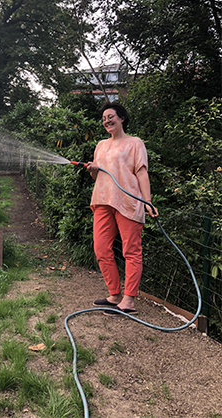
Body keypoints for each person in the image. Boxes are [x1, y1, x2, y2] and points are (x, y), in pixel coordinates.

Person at [85, 103, 158, 315]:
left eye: (111, 116)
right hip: (102, 200)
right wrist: (93, 170)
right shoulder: (100, 145)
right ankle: (114, 294)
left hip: (128, 202)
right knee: (101, 249)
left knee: (131, 251)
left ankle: (129, 301)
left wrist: (147, 201)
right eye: (104, 119)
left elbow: (142, 173)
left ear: (122, 118)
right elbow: (97, 176)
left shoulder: (135, 143)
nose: (106, 121)